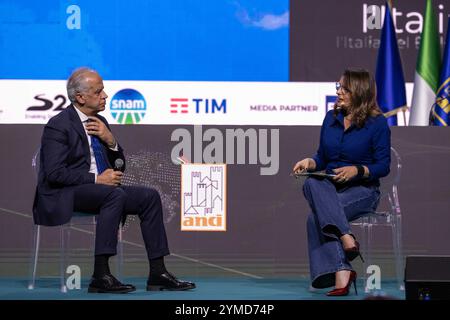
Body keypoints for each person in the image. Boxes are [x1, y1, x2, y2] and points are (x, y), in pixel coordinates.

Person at [32, 67, 195, 293]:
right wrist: (96, 179)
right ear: (80, 97)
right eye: (99, 92)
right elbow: (54, 173)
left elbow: (119, 167)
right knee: (113, 194)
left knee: (148, 197)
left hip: (100, 190)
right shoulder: (59, 125)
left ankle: (158, 273)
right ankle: (101, 274)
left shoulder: (101, 122)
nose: (105, 96)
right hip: (65, 193)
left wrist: (111, 142)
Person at [292, 69, 390, 296]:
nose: (339, 92)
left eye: (344, 89)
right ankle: (346, 239)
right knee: (310, 183)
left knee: (314, 218)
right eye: (339, 87)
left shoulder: (377, 123)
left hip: (363, 190)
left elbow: (383, 166)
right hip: (330, 187)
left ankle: (339, 272)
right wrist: (309, 162)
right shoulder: (330, 118)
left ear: (359, 92)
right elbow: (322, 158)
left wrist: (356, 170)